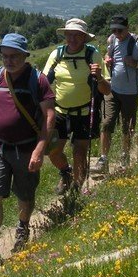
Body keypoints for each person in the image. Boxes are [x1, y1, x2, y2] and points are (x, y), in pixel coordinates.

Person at [0, 33, 55, 272]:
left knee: (25, 194)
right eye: (5, 56)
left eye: (14, 56)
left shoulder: (37, 81)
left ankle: (22, 227)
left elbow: (49, 116)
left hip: (27, 147)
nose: (9, 61)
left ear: (24, 56)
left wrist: (39, 149)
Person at [43, 18, 111, 192]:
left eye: (77, 35)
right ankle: (66, 172)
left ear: (84, 37)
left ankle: (76, 190)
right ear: (65, 35)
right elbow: (43, 84)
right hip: (59, 112)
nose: (72, 39)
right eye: (69, 35)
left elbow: (106, 90)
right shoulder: (57, 54)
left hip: (85, 112)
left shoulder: (92, 54)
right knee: (53, 151)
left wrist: (99, 77)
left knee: (79, 152)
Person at [94, 15, 138, 174]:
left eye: (120, 30)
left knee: (127, 126)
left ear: (128, 27)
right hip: (112, 90)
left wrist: (136, 64)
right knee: (106, 123)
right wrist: (107, 58)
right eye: (114, 30)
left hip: (131, 93)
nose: (117, 33)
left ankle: (125, 155)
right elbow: (108, 54)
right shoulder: (111, 40)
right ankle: (103, 159)